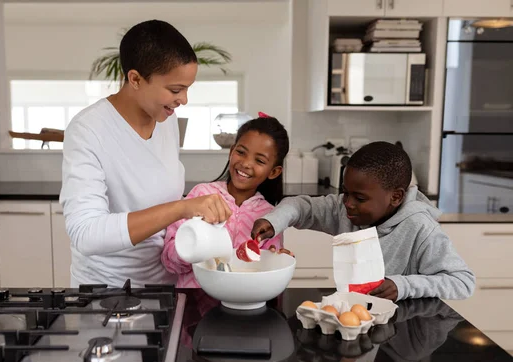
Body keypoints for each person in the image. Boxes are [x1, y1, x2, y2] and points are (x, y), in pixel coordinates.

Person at [60, 20, 231, 288]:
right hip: (107, 292)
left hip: (165, 285)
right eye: (175, 90)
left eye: (187, 88)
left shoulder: (166, 119)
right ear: (135, 79)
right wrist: (182, 208)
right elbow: (86, 234)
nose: (184, 99)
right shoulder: (88, 130)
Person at [251, 141, 475, 301]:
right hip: (357, 322)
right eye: (345, 192)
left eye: (359, 198)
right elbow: (300, 205)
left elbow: (462, 282)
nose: (347, 203)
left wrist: (403, 285)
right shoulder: (345, 208)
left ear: (395, 197)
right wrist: (274, 221)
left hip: (404, 330)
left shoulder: (421, 228)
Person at [161, 114, 290, 287]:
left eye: (259, 160)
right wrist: (192, 248)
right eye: (241, 152)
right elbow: (169, 262)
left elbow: (264, 273)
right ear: (231, 152)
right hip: (193, 301)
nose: (246, 163)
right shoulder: (201, 195)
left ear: (273, 172)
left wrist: (277, 261)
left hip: (242, 303)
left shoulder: (270, 218)